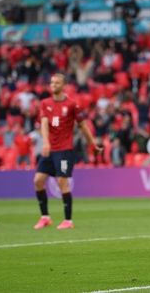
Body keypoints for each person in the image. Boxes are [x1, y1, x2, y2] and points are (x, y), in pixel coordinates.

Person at [33, 73, 103, 230]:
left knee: (62, 182)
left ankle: (68, 220)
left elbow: (83, 126)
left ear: (63, 85)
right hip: (50, 149)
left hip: (64, 150)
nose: (53, 85)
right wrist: (45, 142)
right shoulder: (45, 103)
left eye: (57, 83)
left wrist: (93, 144)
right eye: (51, 83)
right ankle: (45, 217)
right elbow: (44, 124)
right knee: (38, 181)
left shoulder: (72, 105)